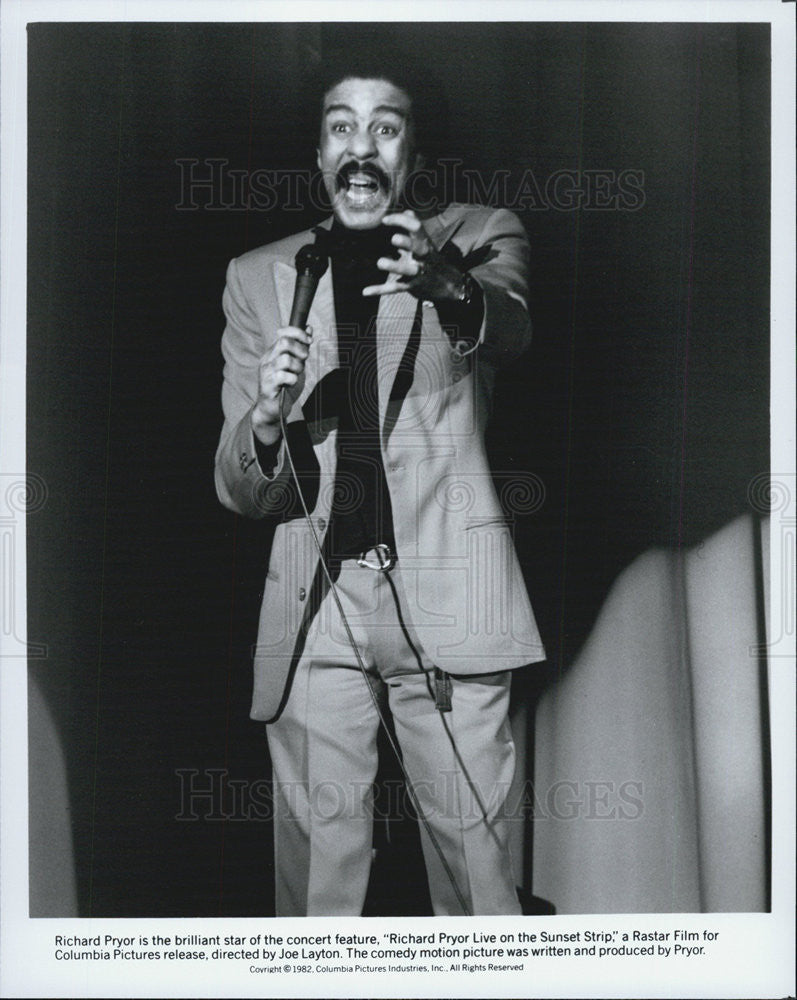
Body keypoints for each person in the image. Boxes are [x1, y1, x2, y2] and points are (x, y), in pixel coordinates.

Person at [214, 56, 545, 916]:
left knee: (478, 890)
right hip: (317, 605)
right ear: (318, 150)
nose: (360, 148)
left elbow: (506, 329)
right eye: (340, 126)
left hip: (449, 600)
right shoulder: (257, 275)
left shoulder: (477, 234)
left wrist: (446, 283)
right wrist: (262, 424)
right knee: (317, 898)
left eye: (384, 128)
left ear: (413, 151)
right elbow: (240, 493)